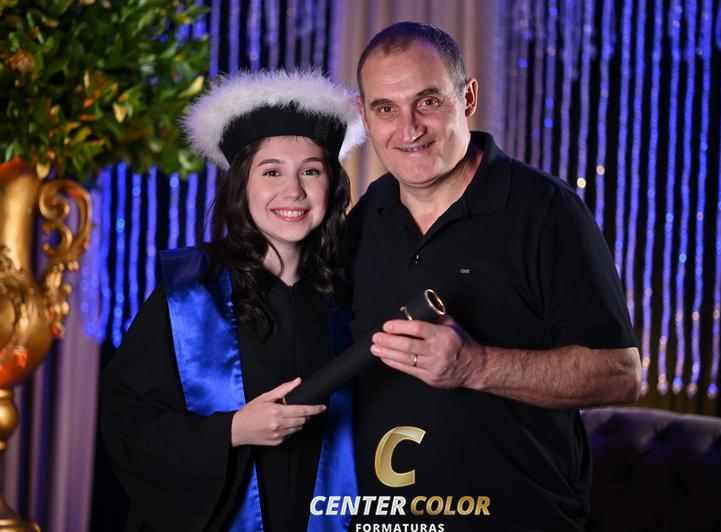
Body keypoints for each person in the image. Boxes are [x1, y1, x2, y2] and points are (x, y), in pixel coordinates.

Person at [348, 22, 642, 531]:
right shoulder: (367, 213)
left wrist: (474, 365)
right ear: (364, 116)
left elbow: (620, 374)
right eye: (386, 109)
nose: (409, 128)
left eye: (428, 102)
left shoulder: (546, 211)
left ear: (468, 98)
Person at [101, 70, 365, 532]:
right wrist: (233, 431)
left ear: (332, 185)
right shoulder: (189, 294)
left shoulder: (351, 298)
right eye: (272, 172)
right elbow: (128, 426)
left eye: (310, 171)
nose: (294, 191)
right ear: (242, 184)